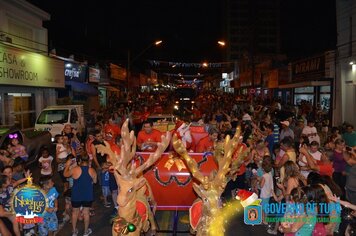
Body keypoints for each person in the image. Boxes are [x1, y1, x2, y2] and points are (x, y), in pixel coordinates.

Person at [64, 153, 97, 236]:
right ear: (88, 160)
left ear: (79, 161)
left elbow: (65, 174)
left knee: (74, 213)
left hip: (76, 195)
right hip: (87, 195)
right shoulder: (92, 170)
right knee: (86, 213)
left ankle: (74, 231)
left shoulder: (75, 169)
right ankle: (86, 232)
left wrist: (67, 165)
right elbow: (95, 181)